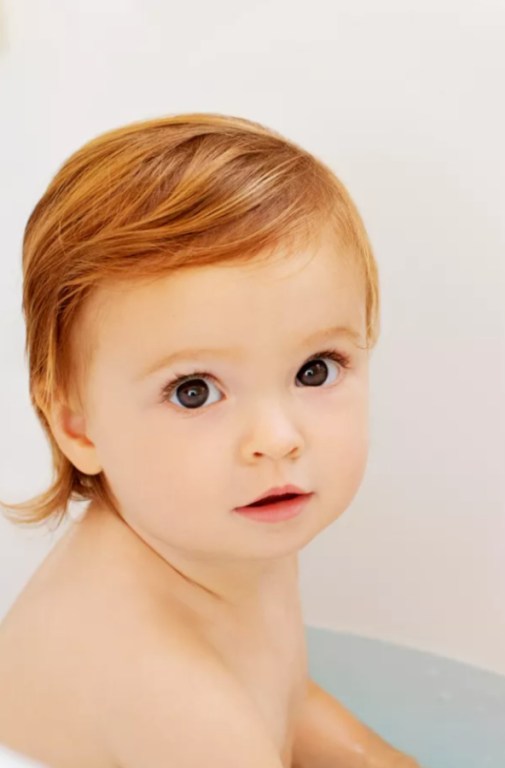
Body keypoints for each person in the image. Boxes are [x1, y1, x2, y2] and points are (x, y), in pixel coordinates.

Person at [0, 113, 418, 768]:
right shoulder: (167, 696)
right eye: (194, 390)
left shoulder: (212, 531)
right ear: (78, 426)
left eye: (314, 371)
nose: (277, 440)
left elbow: (274, 687)